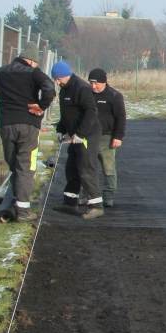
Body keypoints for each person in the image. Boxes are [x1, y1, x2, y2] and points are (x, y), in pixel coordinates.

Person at [0, 43, 56, 223]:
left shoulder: (3, 71)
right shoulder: (34, 73)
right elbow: (49, 88)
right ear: (33, 61)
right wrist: (41, 106)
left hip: (7, 124)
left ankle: (15, 198)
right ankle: (23, 211)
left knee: (13, 164)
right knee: (25, 167)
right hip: (28, 124)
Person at [50, 62, 104, 219]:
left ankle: (96, 205)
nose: (57, 82)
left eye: (58, 79)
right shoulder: (64, 90)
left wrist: (81, 133)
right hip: (75, 136)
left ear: (66, 75)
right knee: (71, 167)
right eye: (55, 79)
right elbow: (66, 114)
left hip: (88, 135)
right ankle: (70, 203)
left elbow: (91, 112)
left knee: (86, 168)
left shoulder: (81, 88)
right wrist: (61, 130)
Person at [88, 68, 126, 207]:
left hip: (107, 137)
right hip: (88, 137)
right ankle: (89, 195)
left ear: (104, 82)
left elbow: (121, 117)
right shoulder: (87, 94)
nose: (93, 86)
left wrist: (118, 136)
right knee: (86, 167)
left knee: (108, 168)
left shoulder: (114, 96)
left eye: (96, 83)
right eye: (91, 83)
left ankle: (108, 196)